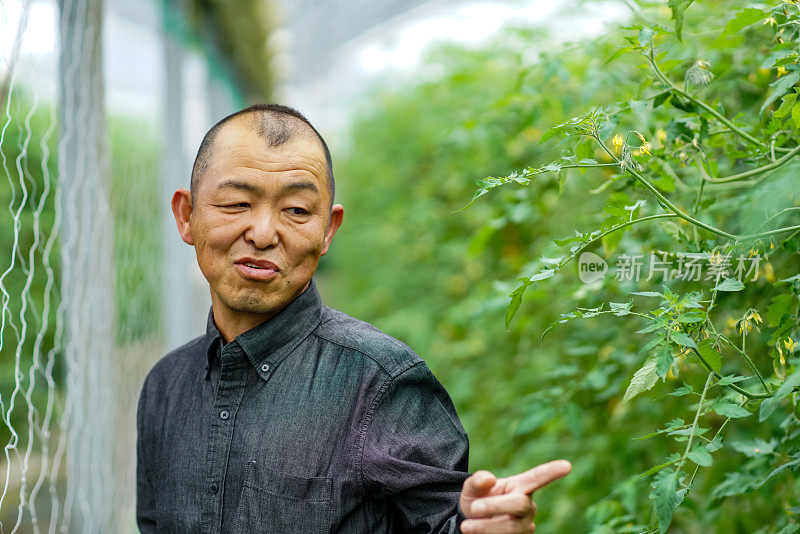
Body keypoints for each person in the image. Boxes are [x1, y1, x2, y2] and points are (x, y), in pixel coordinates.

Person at [136, 103, 571, 534]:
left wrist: (483, 527)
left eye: (297, 211)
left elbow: (446, 522)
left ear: (328, 230)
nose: (264, 233)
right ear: (186, 215)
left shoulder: (381, 384)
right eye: (237, 203)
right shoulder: (165, 388)